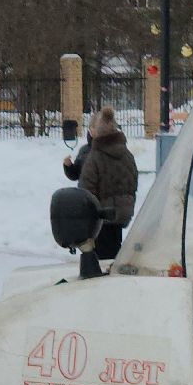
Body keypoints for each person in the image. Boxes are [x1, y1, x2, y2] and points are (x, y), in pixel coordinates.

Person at [76, 108, 137, 273]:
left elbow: (85, 191)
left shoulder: (94, 157)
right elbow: (132, 183)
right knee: (114, 253)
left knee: (100, 263)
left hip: (100, 218)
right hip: (121, 215)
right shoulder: (127, 154)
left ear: (96, 132)